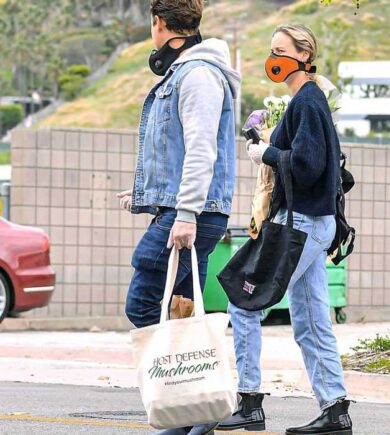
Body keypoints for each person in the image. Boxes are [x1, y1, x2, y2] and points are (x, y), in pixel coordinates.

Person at [217, 24, 353, 435]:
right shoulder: (307, 101)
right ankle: (335, 412)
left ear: (303, 54)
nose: (273, 58)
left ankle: (250, 403)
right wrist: (270, 149)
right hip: (315, 224)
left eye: (281, 50)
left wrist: (267, 153)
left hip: (301, 225)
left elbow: (308, 165)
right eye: (272, 50)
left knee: (244, 304)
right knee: (311, 321)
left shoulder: (307, 101)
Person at [117, 1, 240, 433]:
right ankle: (194, 406)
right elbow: (177, 153)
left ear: (160, 24)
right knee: (182, 309)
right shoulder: (187, 73)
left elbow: (204, 150)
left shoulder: (199, 75)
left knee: (144, 297)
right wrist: (143, 195)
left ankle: (199, 399)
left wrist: (184, 213)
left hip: (196, 213)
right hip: (189, 209)